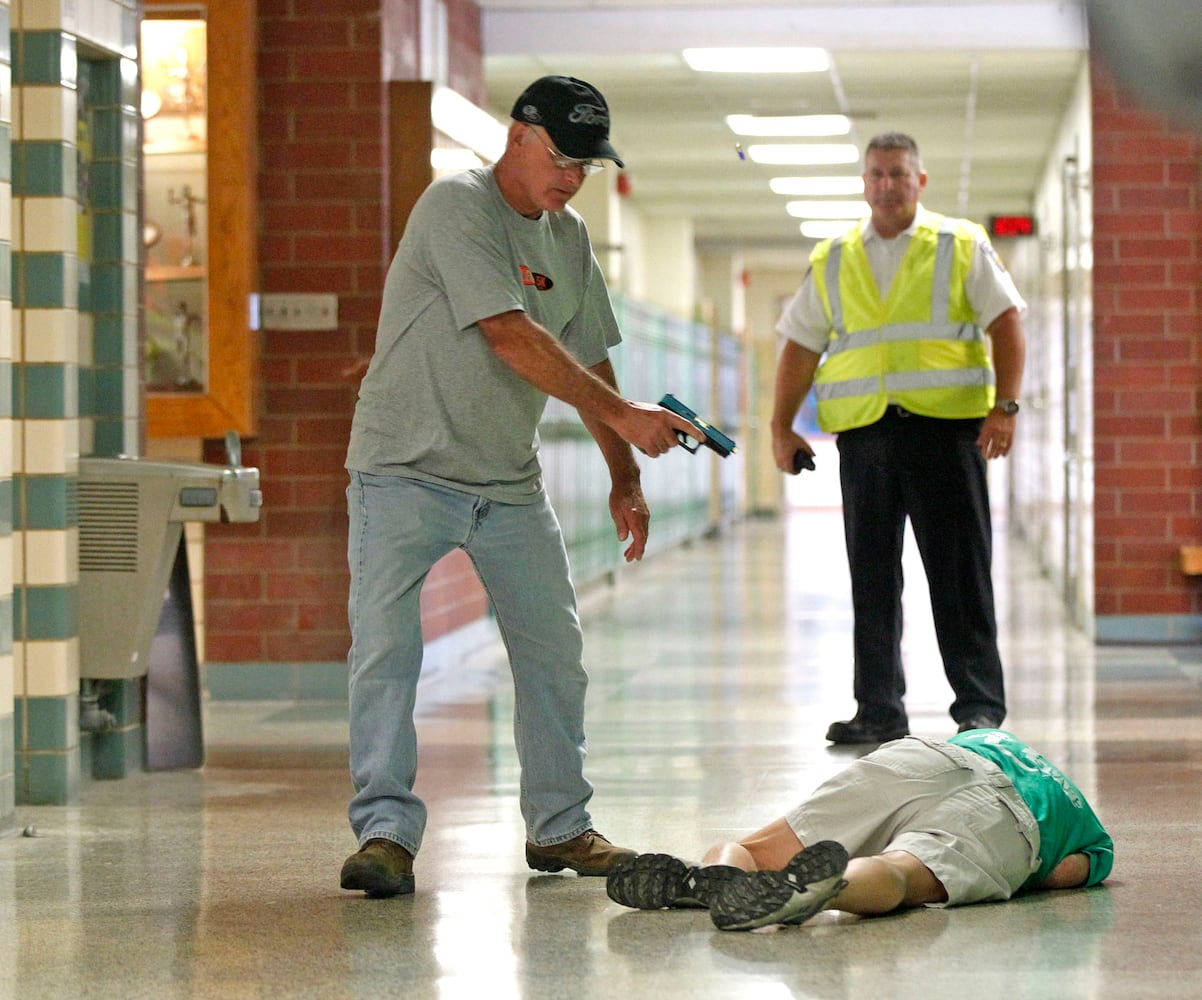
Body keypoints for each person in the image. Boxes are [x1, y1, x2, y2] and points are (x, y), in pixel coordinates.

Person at [340, 75, 703, 898]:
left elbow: (590, 351)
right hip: (403, 469)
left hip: (505, 480)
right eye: (563, 157)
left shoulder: (568, 238)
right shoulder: (455, 207)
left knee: (553, 650)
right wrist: (621, 415)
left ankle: (560, 827)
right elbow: (509, 336)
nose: (573, 177)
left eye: (588, 164)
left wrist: (625, 475)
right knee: (388, 652)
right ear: (518, 136)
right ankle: (386, 832)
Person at [771, 132, 1028, 745]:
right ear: (864, 183)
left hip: (946, 432)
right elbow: (801, 345)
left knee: (960, 572)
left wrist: (1006, 408)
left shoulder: (959, 245)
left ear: (920, 181)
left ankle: (978, 706)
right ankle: (878, 708)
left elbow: (1007, 323)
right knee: (871, 577)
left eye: (899, 174)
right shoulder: (833, 258)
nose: (887, 185)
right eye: (877, 174)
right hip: (865, 437)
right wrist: (780, 426)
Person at [607, 729, 1114, 931]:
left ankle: (716, 873)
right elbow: (1062, 873)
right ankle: (816, 890)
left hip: (939, 757)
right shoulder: (1094, 836)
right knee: (898, 872)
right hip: (1008, 821)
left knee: (758, 848)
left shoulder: (998, 737)